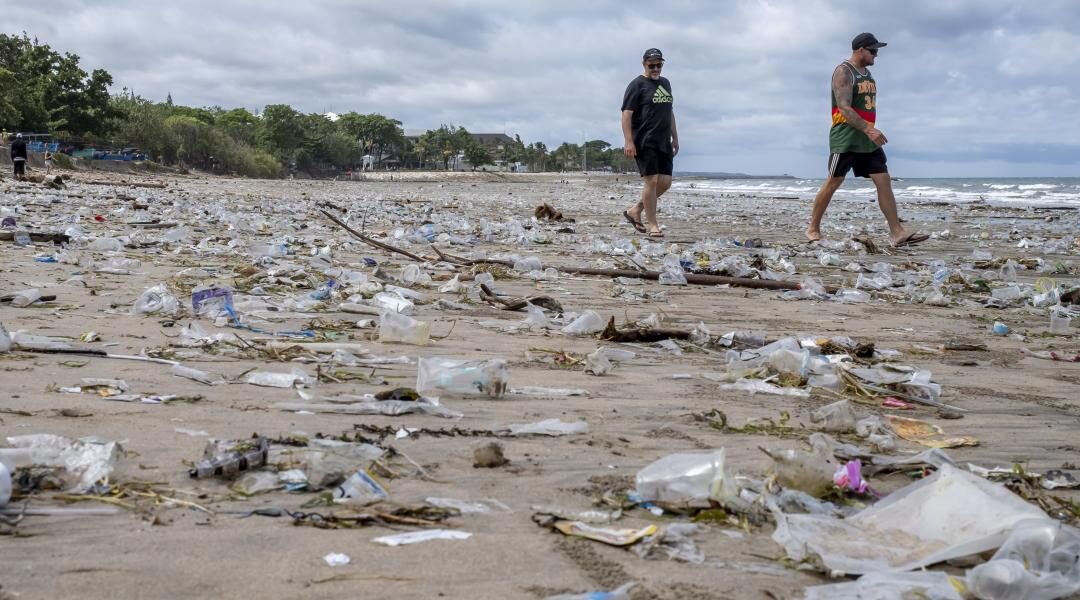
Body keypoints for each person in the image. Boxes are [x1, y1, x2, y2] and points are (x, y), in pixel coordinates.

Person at [806, 33, 927, 247]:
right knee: (834, 180)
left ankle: (897, 232)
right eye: (873, 51)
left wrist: (869, 132)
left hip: (867, 139)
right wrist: (868, 129)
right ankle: (812, 228)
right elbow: (844, 106)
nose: (876, 55)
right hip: (846, 137)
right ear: (860, 50)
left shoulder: (868, 75)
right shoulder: (843, 71)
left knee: (883, 180)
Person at [621, 48, 678, 238]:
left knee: (665, 182)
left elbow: (669, 111)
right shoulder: (637, 85)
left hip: (664, 141)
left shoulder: (665, 83)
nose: (655, 69)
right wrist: (628, 141)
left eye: (658, 65)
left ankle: (635, 210)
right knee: (651, 181)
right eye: (651, 65)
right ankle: (653, 225)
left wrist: (675, 137)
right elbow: (626, 114)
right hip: (644, 140)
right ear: (644, 64)